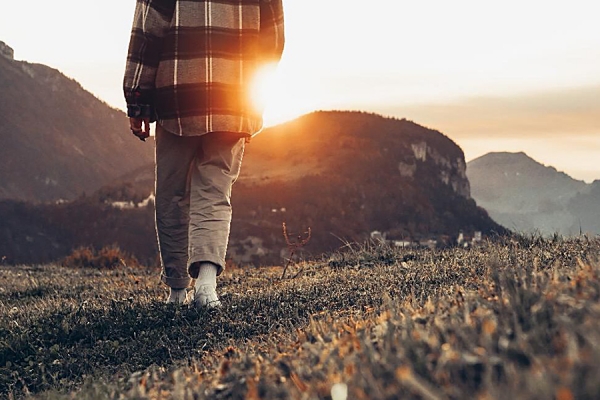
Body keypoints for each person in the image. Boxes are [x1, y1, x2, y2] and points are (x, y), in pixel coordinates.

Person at [123, 0, 285, 307]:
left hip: (177, 94)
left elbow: (148, 29)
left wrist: (137, 96)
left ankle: (176, 292)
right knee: (215, 190)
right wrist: (253, 93)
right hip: (234, 96)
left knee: (172, 193)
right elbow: (273, 37)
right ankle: (206, 287)